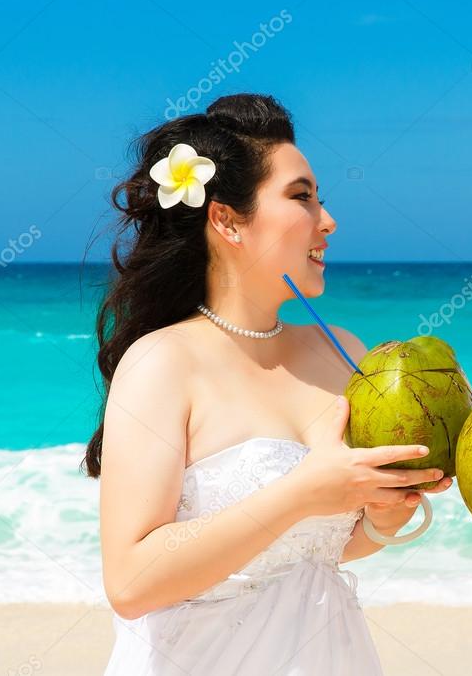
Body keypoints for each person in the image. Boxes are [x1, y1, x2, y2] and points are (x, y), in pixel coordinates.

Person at [85, 93, 451, 675]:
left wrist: (383, 520)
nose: (327, 221)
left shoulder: (344, 353)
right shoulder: (162, 362)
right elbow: (131, 581)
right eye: (301, 197)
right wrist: (301, 491)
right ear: (226, 219)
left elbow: (317, 549)